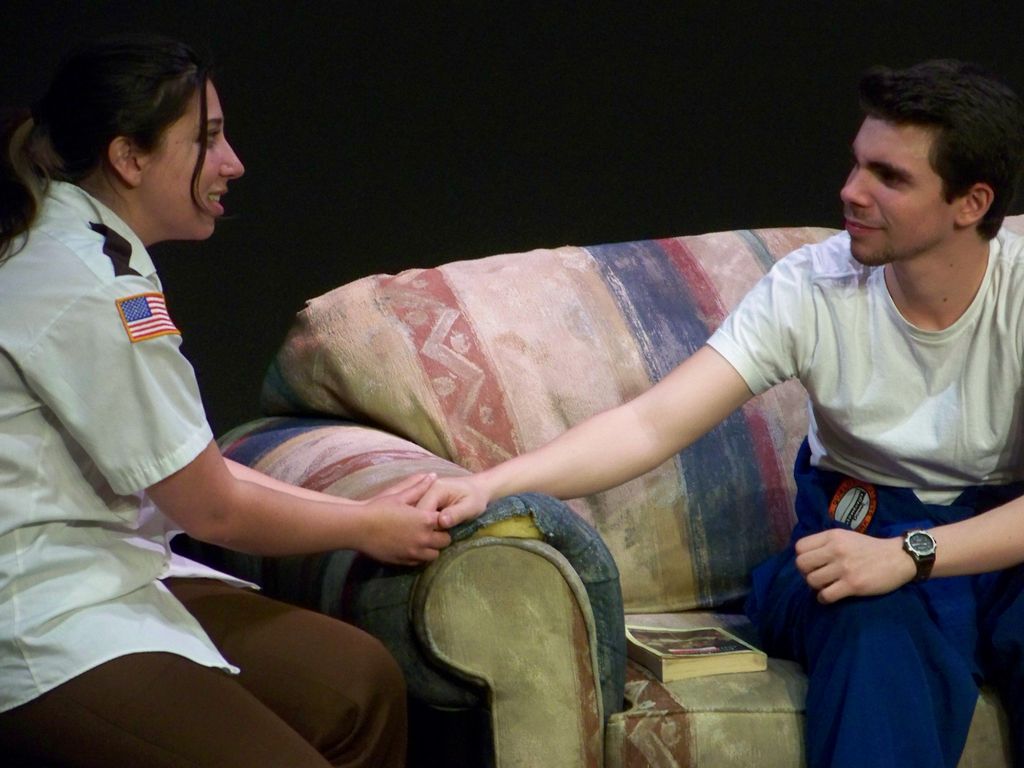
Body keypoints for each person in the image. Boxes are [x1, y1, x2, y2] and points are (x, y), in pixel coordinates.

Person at [416, 59, 1024, 767]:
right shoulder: (813, 289)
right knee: (872, 630)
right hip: (855, 535)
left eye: (889, 177)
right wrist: (490, 484)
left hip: (995, 542)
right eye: (858, 163)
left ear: (971, 203)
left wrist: (912, 555)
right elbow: (651, 424)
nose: (851, 191)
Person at [0, 34, 451, 768]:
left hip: (110, 568)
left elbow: (189, 466)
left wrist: (366, 510)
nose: (233, 162)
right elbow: (211, 509)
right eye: (206, 140)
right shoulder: (91, 284)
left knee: (358, 683)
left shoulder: (75, 237)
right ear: (130, 157)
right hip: (39, 612)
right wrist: (368, 524)